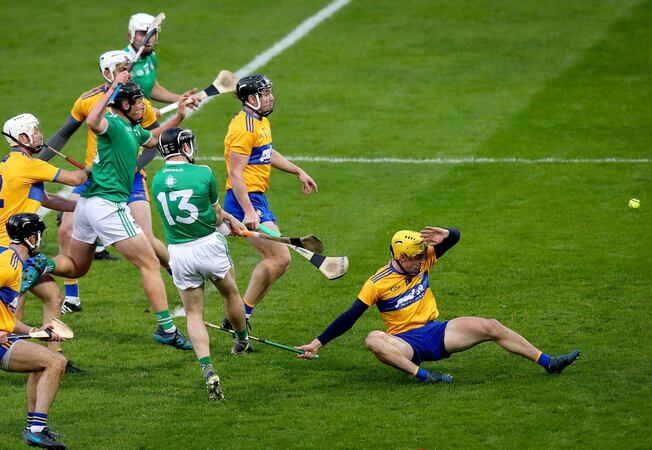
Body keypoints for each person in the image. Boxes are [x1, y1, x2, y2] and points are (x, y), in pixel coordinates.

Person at [23, 75, 193, 350]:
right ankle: (167, 328)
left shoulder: (131, 128)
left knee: (78, 266)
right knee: (149, 264)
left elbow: (152, 141)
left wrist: (178, 118)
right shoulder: (112, 124)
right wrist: (113, 87)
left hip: (87, 207)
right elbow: (92, 121)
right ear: (124, 105)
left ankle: (42, 264)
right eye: (138, 102)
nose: (143, 106)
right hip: (108, 206)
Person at [296, 227, 581, 383]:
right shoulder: (377, 282)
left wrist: (447, 233)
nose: (422, 261)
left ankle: (548, 363)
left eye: (422, 256)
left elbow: (454, 238)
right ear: (401, 257)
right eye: (415, 258)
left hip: (438, 331)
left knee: (490, 326)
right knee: (373, 339)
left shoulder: (421, 260)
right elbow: (350, 316)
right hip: (406, 344)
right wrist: (318, 343)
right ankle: (425, 376)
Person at [0, 113, 89, 384]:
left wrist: (81, 207)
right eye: (33, 132)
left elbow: (44, 198)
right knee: (12, 311)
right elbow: (74, 179)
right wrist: (91, 171)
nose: (39, 135)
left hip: (12, 245)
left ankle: (52, 355)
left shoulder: (14, 164)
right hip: (9, 251)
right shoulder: (27, 165)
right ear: (21, 138)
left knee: (53, 297)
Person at [151, 127, 251, 401]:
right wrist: (228, 223)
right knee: (231, 293)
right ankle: (242, 340)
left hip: (179, 253)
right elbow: (216, 216)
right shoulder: (204, 173)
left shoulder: (157, 180)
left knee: (194, 313)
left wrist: (227, 219)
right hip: (208, 245)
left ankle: (207, 367)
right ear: (182, 146)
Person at [0, 213, 68, 449]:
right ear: (30, 238)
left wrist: (36, 330)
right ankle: (36, 431)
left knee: (43, 363)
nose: (40, 240)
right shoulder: (6, 265)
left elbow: (3, 315)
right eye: (38, 236)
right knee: (56, 362)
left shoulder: (14, 263)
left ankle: (34, 427)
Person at [222, 74, 317, 326]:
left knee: (280, 262)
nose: (270, 97)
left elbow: (265, 151)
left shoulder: (260, 121)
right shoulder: (244, 129)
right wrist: (249, 211)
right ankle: (240, 316)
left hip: (256, 199)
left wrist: (297, 170)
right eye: (265, 94)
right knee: (280, 258)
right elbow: (235, 173)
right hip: (244, 201)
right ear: (251, 99)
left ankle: (239, 316)